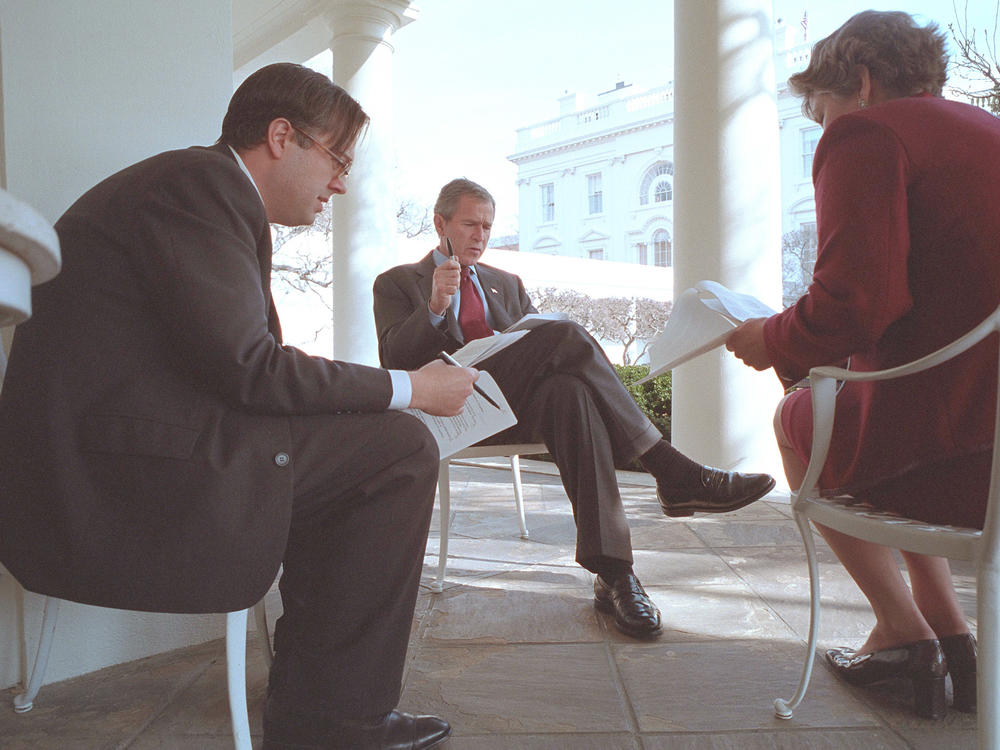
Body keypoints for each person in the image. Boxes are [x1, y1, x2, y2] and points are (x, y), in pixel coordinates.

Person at [0, 63, 477, 750]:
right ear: (283, 136)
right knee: (397, 451)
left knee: (359, 440)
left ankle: (316, 690)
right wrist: (412, 389)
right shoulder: (200, 187)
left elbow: (230, 367)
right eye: (336, 159)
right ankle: (336, 716)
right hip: (105, 481)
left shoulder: (194, 188)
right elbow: (252, 369)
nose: (340, 183)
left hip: (125, 449)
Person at [726, 10, 1000, 719]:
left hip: (963, 456)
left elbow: (854, 306)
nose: (823, 129)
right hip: (985, 430)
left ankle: (904, 635)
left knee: (800, 417)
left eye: (819, 112)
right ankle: (954, 638)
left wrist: (769, 341)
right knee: (874, 423)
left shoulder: (869, 132)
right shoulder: (987, 133)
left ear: (863, 81)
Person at [373, 178, 776, 639]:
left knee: (570, 393)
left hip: (514, 409)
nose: (480, 235)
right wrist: (435, 305)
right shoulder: (398, 283)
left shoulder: (507, 284)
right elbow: (396, 362)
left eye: (487, 226)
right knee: (565, 335)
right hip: (450, 413)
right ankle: (667, 467)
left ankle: (615, 574)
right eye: (469, 224)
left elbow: (534, 353)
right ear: (440, 223)